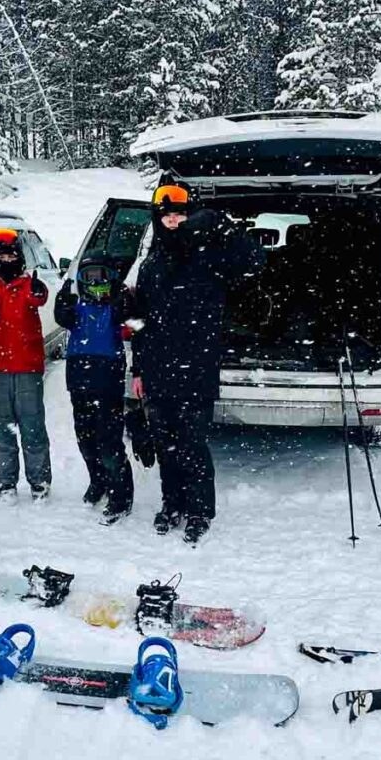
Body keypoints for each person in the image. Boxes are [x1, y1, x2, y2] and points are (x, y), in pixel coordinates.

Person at [126, 182, 265, 545]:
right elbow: (138, 320)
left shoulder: (210, 255)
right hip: (157, 371)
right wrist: (137, 368)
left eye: (179, 215)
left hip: (196, 369)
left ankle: (200, 511)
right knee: (165, 445)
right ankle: (171, 505)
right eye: (167, 215)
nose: (173, 221)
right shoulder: (151, 264)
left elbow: (254, 261)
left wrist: (222, 225)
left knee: (192, 444)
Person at [54, 252, 134, 525]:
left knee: (109, 441)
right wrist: (61, 305)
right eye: (89, 277)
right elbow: (64, 318)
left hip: (107, 381)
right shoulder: (76, 308)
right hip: (79, 379)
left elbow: (132, 316)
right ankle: (97, 481)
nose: (96, 282)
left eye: (101, 276)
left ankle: (120, 495)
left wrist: (124, 301)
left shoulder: (115, 307)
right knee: (85, 438)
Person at [0, 227, 53, 503]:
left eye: (11, 256)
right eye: (1, 256)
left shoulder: (29, 286)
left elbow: (40, 297)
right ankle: (6, 483)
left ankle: (40, 480)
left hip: (27, 367)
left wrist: (36, 287)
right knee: (2, 427)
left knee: (33, 425)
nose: (6, 261)